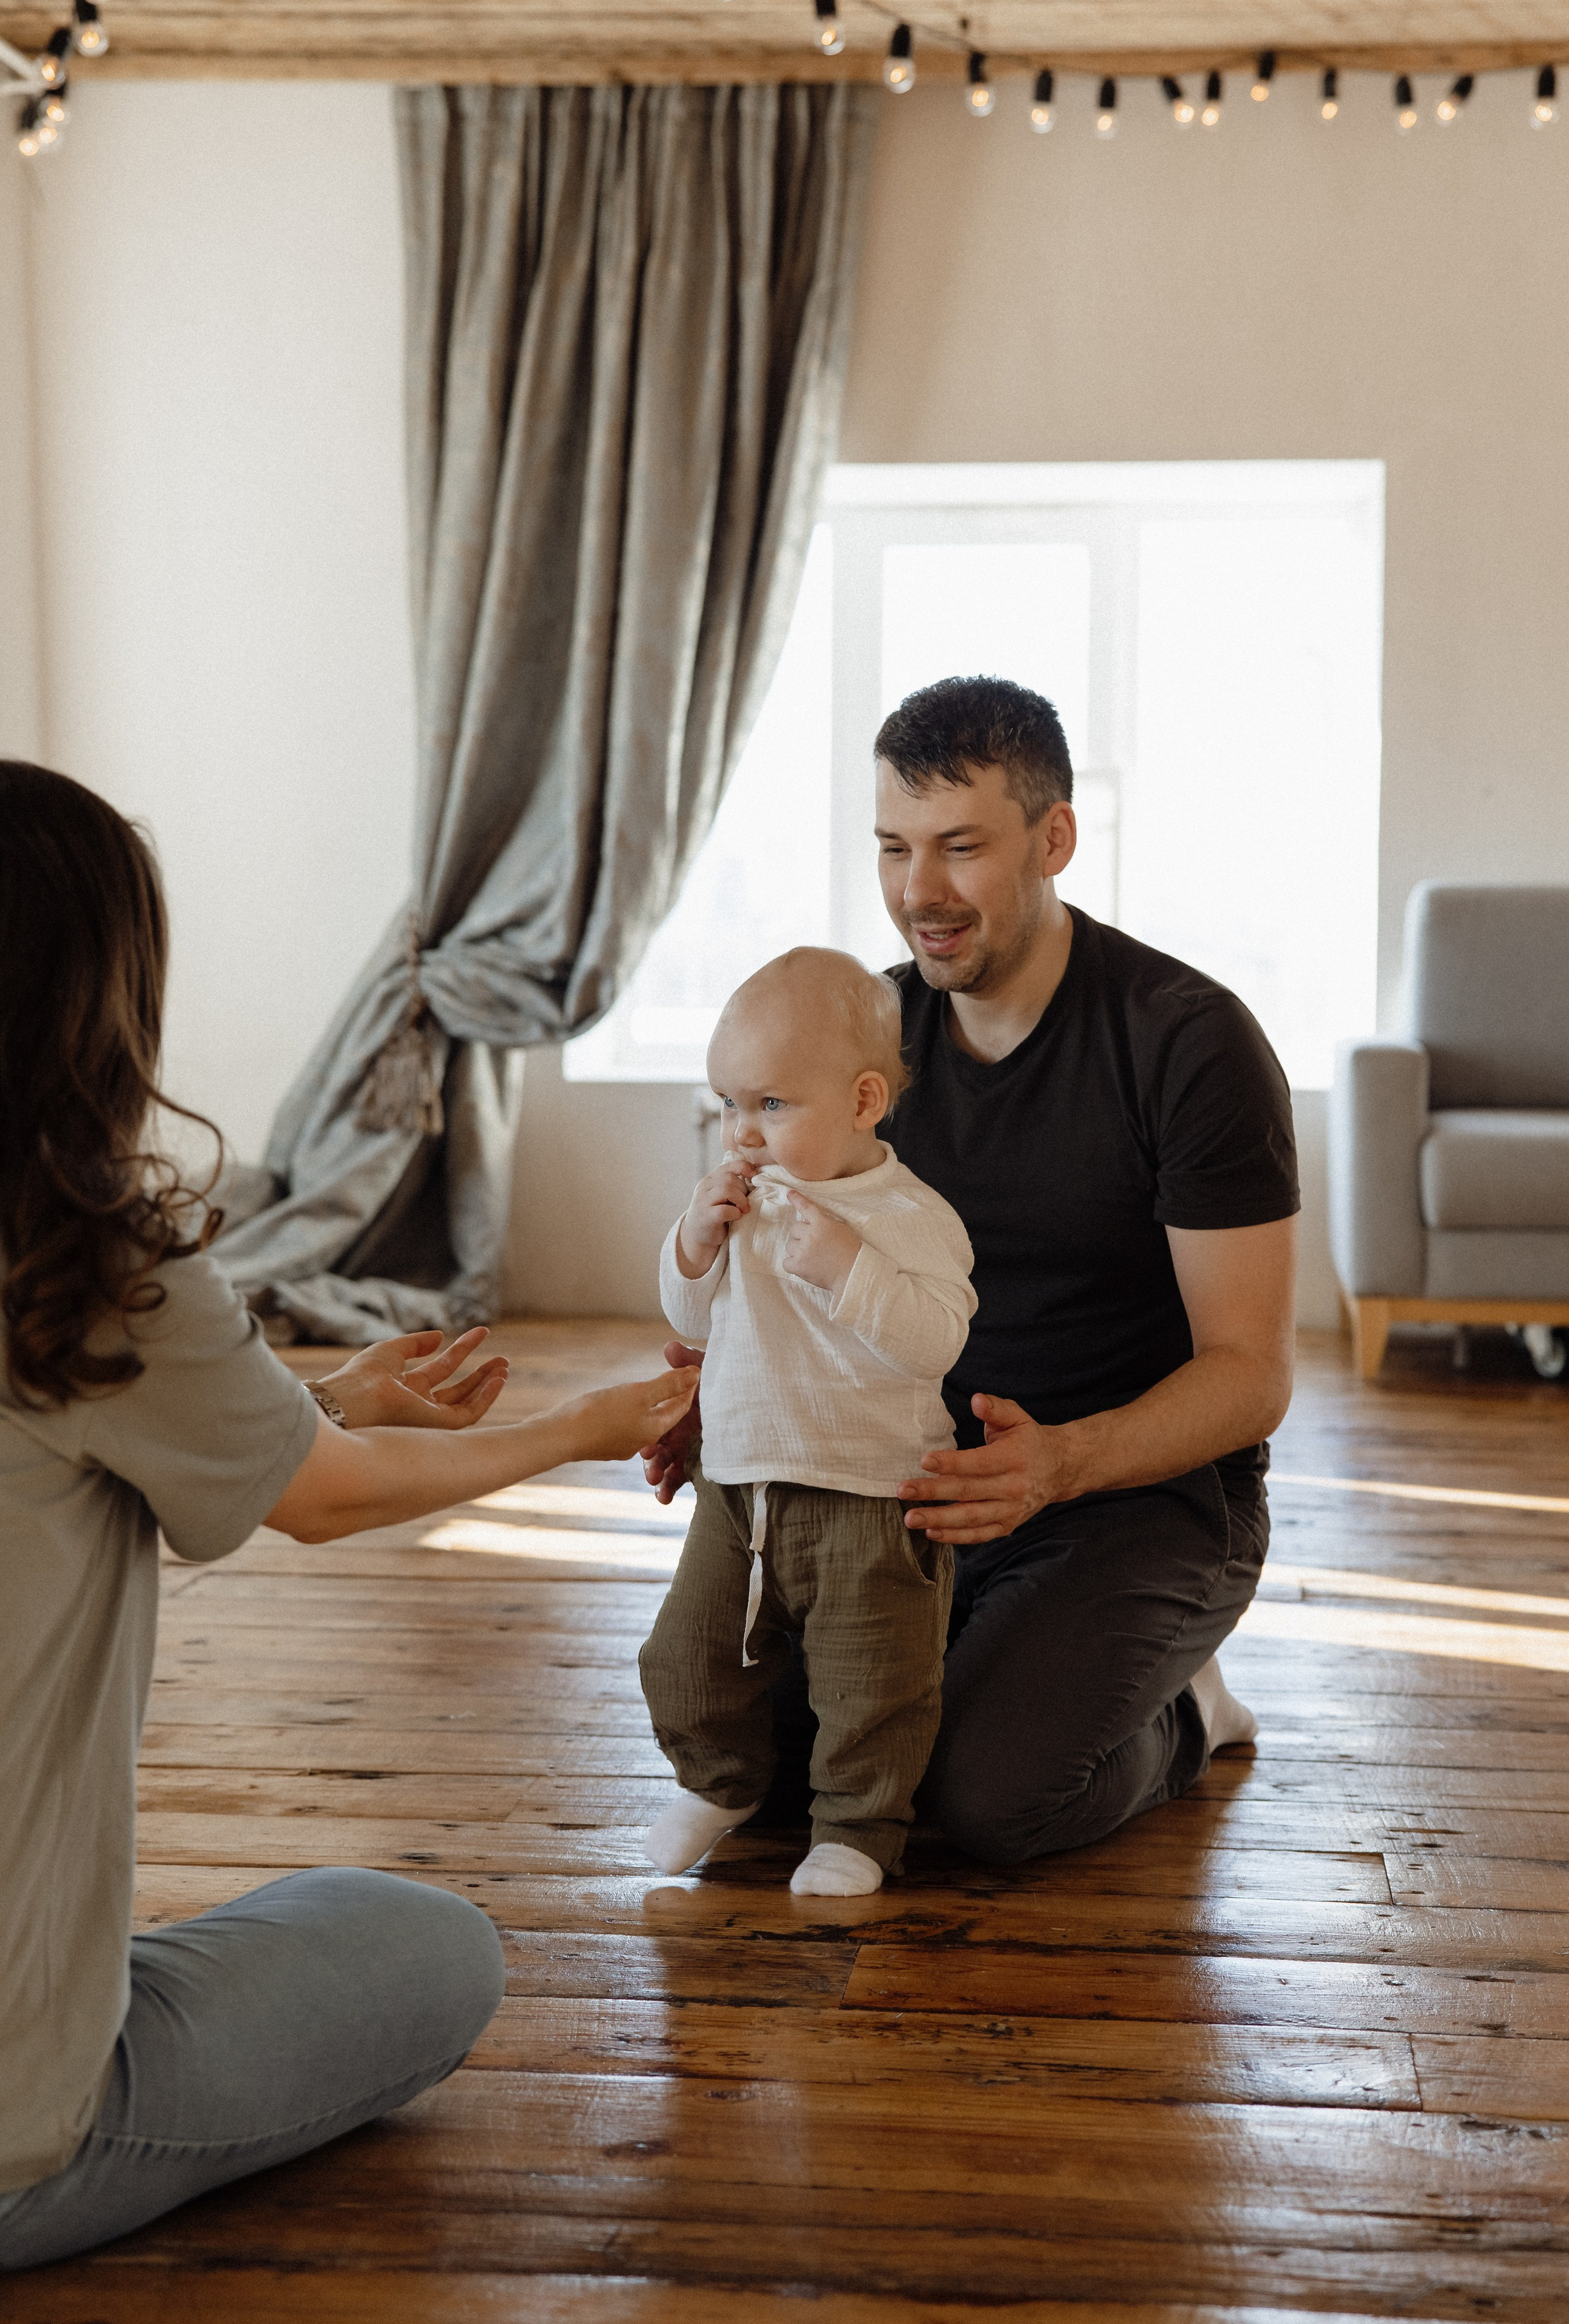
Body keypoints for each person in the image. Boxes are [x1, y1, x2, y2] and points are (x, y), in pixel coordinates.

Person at [0, 760, 697, 2271]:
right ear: (91, 999)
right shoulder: (78, 1261)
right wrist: (579, 1421)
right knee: (426, 1943)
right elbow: (324, 1511)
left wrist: (318, 1406)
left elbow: (83, 1470)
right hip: (16, 2131)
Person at [645, 675, 1298, 1866]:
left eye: (958, 847)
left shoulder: (1185, 1043)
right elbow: (782, 1283)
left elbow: (1249, 1375)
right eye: (893, 848)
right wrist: (727, 1408)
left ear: (1052, 838)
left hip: (1135, 1497)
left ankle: (1189, 1705)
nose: (916, 893)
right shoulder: (866, 1047)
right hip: (900, 1487)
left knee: (983, 1798)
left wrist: (1062, 1462)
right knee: (769, 1761)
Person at [639, 948, 975, 1896]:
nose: (742, 1132)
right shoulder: (744, 1200)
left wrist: (849, 1269)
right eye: (728, 1105)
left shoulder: (910, 1215)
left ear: (865, 1100)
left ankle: (859, 1830)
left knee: (873, 1682)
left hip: (871, 1495)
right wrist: (693, 1244)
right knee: (688, 1655)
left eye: (771, 1106)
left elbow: (936, 1340)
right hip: (740, 1485)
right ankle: (720, 1781)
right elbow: (694, 1320)